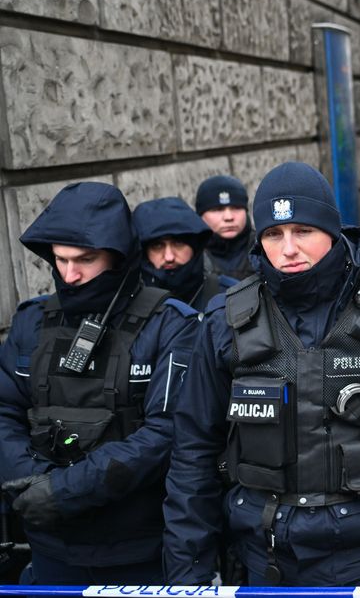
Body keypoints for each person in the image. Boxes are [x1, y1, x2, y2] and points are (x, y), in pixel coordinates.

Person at [163, 162, 360, 586]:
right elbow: (193, 450)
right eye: (274, 234)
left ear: (332, 231)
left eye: (303, 231)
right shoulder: (225, 321)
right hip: (263, 558)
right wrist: (188, 574)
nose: (288, 248)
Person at [0, 182, 200, 583]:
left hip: (140, 550)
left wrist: (67, 490)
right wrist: (35, 483)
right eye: (60, 260)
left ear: (118, 255)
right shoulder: (31, 320)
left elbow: (168, 432)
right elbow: (6, 410)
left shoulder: (169, 325)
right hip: (50, 542)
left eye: (85, 260)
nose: (70, 274)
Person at [133, 197, 236, 311]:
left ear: (195, 246)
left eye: (178, 244)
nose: (169, 257)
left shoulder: (231, 296)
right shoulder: (129, 300)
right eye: (158, 246)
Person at [195, 175, 255, 280]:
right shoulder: (190, 257)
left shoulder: (264, 247)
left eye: (236, 208)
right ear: (201, 215)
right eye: (218, 209)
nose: (229, 217)